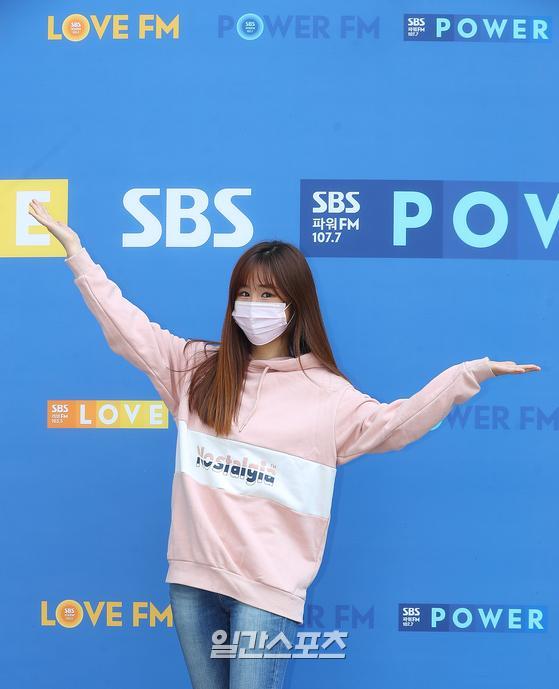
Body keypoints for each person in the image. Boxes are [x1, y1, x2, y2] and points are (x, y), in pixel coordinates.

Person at [28, 199, 540, 689]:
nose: (254, 307)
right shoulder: (195, 369)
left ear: (296, 305)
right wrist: (76, 252)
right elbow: (126, 327)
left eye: (269, 296)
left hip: (266, 595)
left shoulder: (327, 396)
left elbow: (396, 424)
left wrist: (466, 374)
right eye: (245, 294)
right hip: (192, 583)